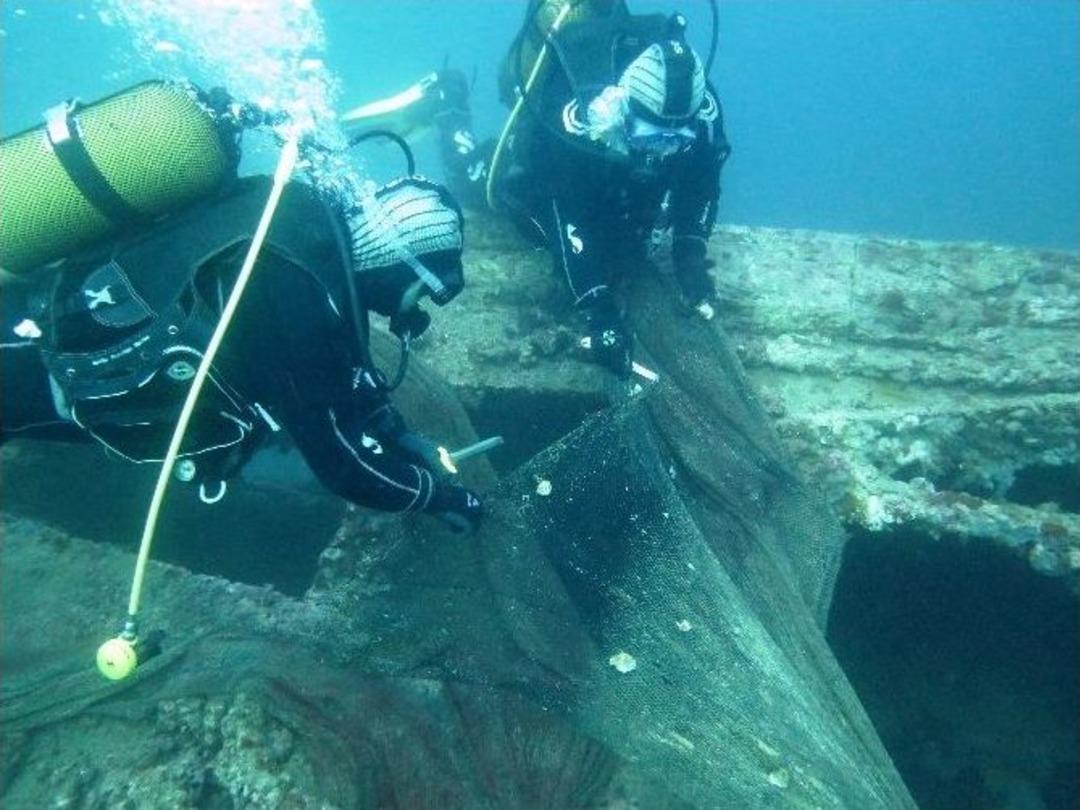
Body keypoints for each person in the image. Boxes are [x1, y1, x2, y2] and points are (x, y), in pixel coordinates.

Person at [0, 84, 484, 534]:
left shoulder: (297, 220)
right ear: (401, 265)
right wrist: (437, 497)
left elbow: (346, 377)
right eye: (418, 295)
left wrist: (396, 435)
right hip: (51, 365)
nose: (409, 315)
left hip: (48, 303)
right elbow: (342, 464)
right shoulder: (303, 301)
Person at [345, 1, 731, 377]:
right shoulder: (578, 127)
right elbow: (566, 214)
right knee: (475, 182)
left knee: (631, 222)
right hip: (547, 174)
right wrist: (598, 308)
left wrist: (691, 259)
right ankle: (447, 103)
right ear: (621, 109)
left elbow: (702, 182)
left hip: (609, 178)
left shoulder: (703, 116)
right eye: (649, 135)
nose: (658, 152)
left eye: (673, 139)